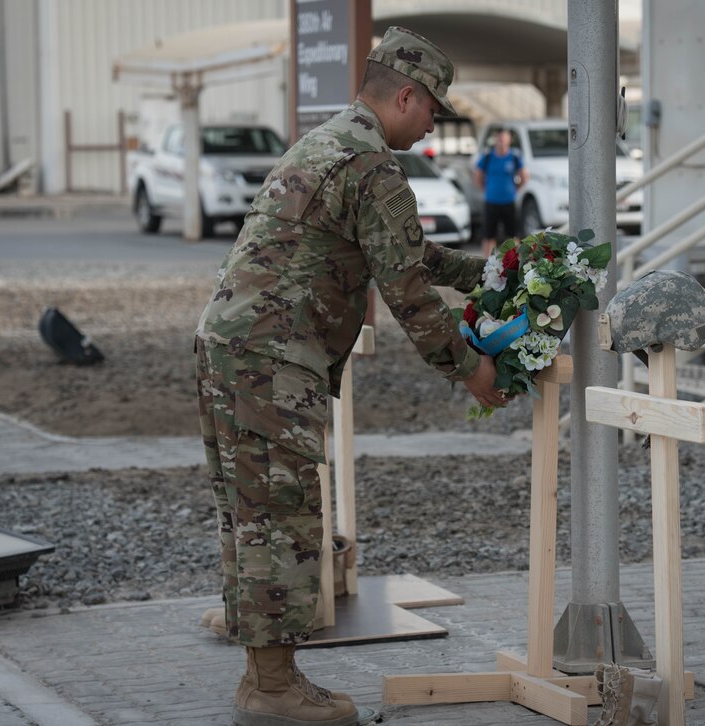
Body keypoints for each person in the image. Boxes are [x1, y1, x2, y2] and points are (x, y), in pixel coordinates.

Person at [194, 26, 506, 726]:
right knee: (282, 520)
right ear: (405, 95)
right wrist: (470, 370)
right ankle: (270, 688)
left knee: (252, 515)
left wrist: (494, 273)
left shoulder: (332, 141)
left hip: (232, 347)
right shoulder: (371, 167)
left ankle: (262, 669)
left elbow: (408, 254)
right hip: (273, 360)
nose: (432, 124)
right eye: (433, 110)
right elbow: (409, 294)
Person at [474, 129, 529, 257]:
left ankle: (514, 262)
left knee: (513, 235)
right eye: (499, 139)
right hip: (491, 201)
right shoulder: (488, 157)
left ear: (509, 141)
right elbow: (477, 174)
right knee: (489, 235)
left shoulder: (514, 157)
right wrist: (484, 189)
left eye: (503, 139)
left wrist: (516, 189)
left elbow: (524, 175)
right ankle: (486, 263)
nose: (501, 142)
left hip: (509, 201)